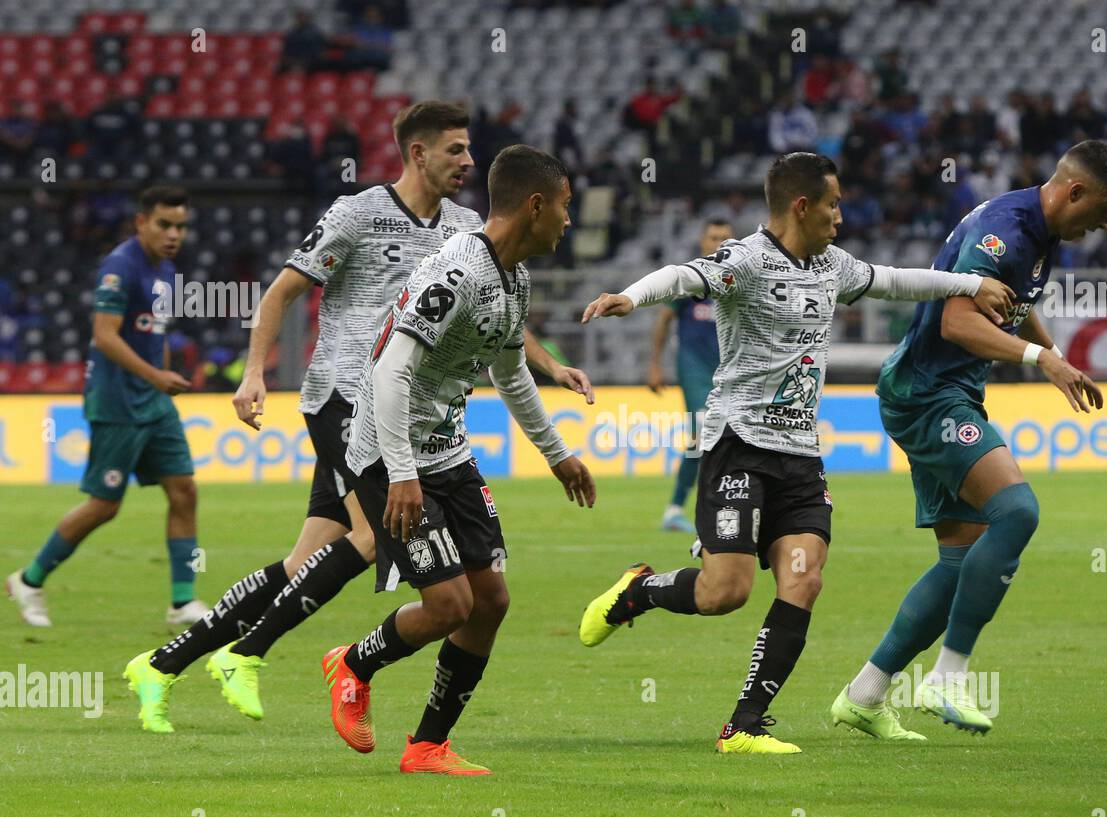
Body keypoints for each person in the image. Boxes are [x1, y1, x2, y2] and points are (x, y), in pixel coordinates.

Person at [121, 102, 592, 734]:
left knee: (305, 562)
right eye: (455, 150)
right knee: (372, 537)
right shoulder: (356, 214)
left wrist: (551, 366)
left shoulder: (465, 227)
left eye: (469, 150)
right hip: (347, 395)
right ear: (417, 153)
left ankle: (162, 663)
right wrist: (257, 370)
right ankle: (246, 653)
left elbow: (494, 317)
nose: (468, 161)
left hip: (404, 405)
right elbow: (283, 290)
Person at [577, 152, 1013, 755]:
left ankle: (744, 727)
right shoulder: (747, 260)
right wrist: (630, 296)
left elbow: (894, 279)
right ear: (802, 206)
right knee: (723, 592)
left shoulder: (833, 265)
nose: (841, 216)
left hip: (800, 457)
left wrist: (972, 283)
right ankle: (639, 591)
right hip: (738, 447)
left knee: (803, 582)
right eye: (833, 205)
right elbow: (683, 276)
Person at [830, 140, 1107, 741]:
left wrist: (1053, 352)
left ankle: (864, 694)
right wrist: (1040, 358)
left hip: (942, 391)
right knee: (1016, 512)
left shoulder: (1037, 231)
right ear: (1075, 191)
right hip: (928, 392)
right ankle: (947, 677)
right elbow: (956, 320)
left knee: (962, 557)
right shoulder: (1006, 230)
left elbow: (1014, 303)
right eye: (1105, 207)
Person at [324, 145, 596, 775]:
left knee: (491, 601)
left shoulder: (514, 278)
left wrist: (556, 455)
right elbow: (391, 368)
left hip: (446, 453)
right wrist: (400, 472)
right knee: (450, 605)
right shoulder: (458, 272)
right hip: (386, 455)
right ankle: (354, 665)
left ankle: (426, 747)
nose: (567, 221)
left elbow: (510, 374)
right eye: (564, 207)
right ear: (535, 205)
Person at [8, 186, 207, 629]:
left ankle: (182, 600)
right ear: (141, 222)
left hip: (154, 403)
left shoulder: (168, 271)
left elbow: (155, 335)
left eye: (180, 226)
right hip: (117, 402)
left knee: (184, 490)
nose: (174, 234)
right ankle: (30, 578)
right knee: (104, 505)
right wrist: (156, 377)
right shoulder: (120, 266)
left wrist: (164, 378)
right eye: (164, 225)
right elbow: (104, 335)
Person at [648, 218, 731, 533]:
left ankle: (719, 505)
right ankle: (675, 509)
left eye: (725, 238)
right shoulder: (691, 278)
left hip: (728, 371)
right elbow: (664, 319)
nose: (719, 243)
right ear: (702, 241)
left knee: (726, 437)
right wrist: (655, 364)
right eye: (714, 237)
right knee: (702, 433)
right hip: (694, 367)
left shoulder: (736, 279)